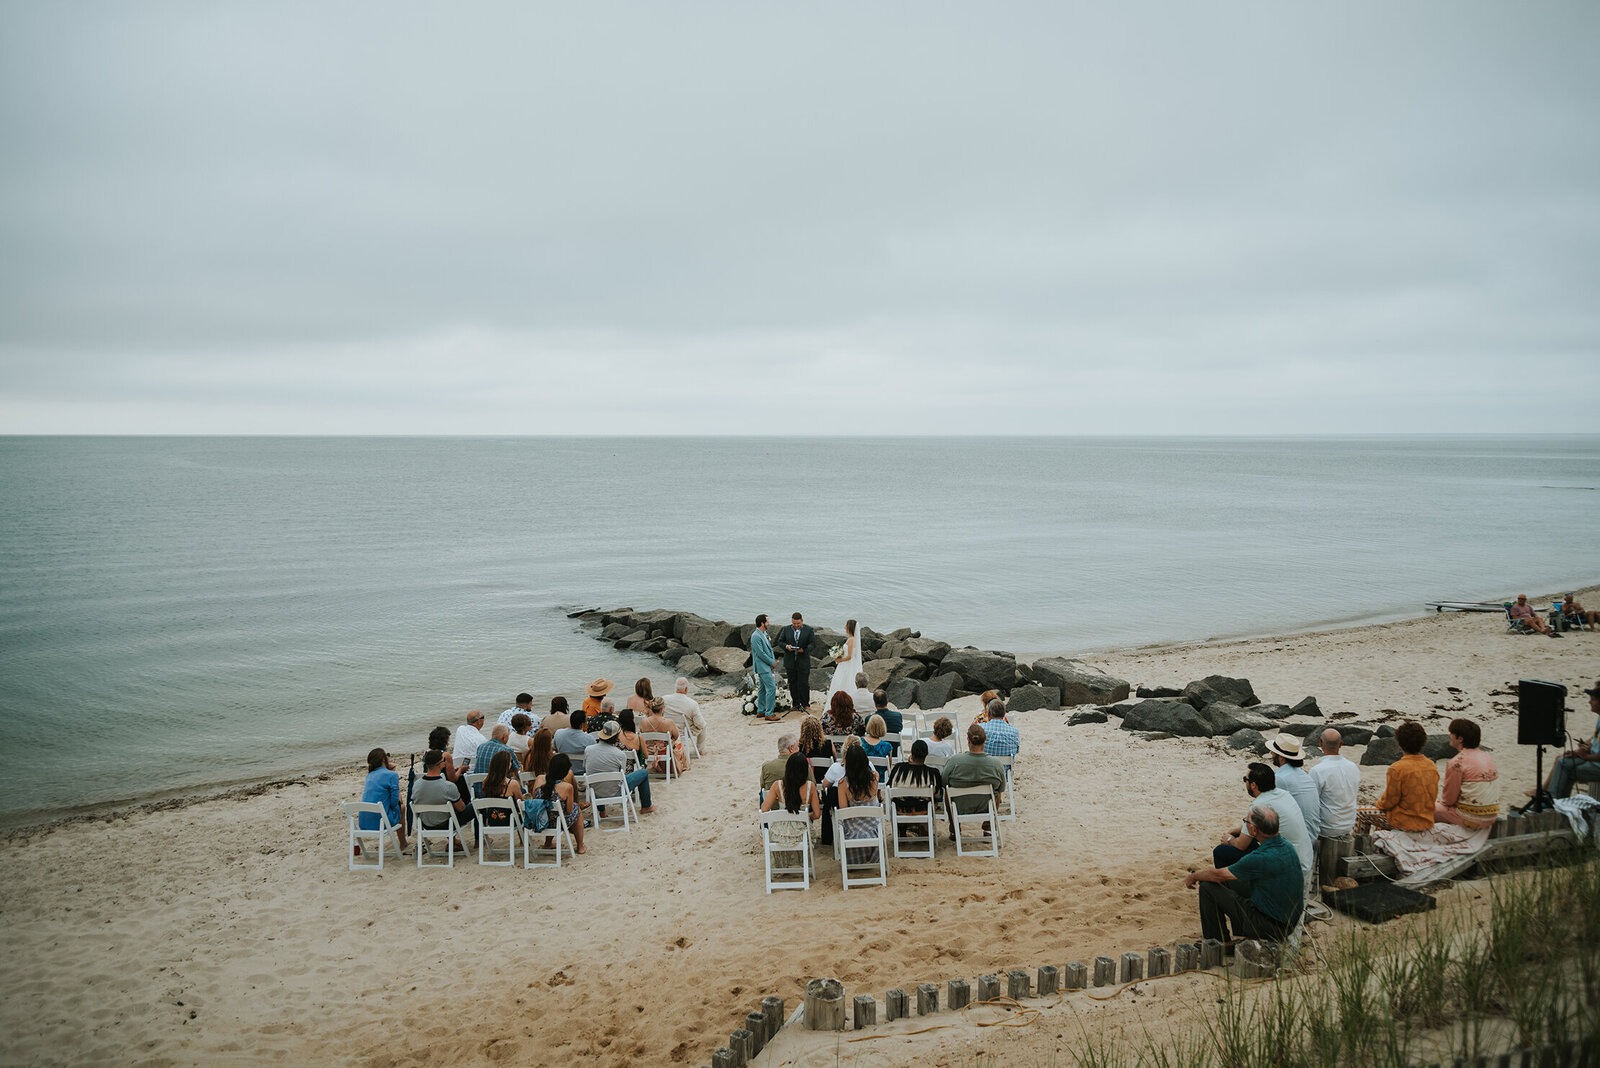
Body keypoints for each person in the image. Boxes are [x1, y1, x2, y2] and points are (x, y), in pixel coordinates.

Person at [1185, 804, 1303, 945]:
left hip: (1272, 926)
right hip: (1287, 920)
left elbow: (1219, 875)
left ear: (1253, 829)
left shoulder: (1260, 857)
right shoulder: (1286, 846)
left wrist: (1194, 876)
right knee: (1225, 882)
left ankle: (1216, 943)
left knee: (1207, 887)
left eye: (1246, 822)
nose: (1245, 825)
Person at [1214, 763, 1312, 881]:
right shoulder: (1283, 794)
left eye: (1245, 780)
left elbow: (1241, 845)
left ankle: (1231, 889)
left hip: (1287, 863)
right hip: (1302, 857)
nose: (1245, 782)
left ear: (1253, 785)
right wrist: (1234, 831)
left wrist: (1229, 839)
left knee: (1221, 851)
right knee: (1243, 839)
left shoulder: (1258, 805)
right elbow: (1255, 825)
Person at [1362, 721, 1438, 831]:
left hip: (1404, 821)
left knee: (1360, 812)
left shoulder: (1397, 768)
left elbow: (1388, 802)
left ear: (1399, 743)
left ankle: (1357, 848)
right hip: (1426, 819)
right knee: (1382, 814)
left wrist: (1377, 803)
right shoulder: (1431, 765)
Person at [943, 723, 1007, 839]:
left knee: (948, 792)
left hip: (960, 805)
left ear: (968, 740)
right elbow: (1002, 787)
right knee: (997, 793)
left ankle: (954, 829)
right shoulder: (996, 764)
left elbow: (944, 782)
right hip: (985, 806)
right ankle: (988, 828)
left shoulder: (955, 761)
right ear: (985, 739)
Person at [584, 720, 659, 816]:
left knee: (597, 777)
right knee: (643, 773)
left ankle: (602, 811)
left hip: (595, 792)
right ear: (616, 736)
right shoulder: (619, 754)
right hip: (616, 791)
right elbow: (622, 775)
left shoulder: (588, 750)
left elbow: (587, 769)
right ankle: (646, 807)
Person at [1435, 717, 1499, 828]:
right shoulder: (1486, 756)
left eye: (1451, 733)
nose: (1449, 736)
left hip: (1471, 818)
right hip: (1491, 815)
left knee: (1426, 808)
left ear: (1460, 738)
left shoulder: (1457, 763)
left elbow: (1448, 800)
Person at [761, 752, 822, 865]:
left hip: (779, 833)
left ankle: (783, 865)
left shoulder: (777, 785)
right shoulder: (810, 786)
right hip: (802, 832)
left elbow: (764, 809)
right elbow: (817, 814)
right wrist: (806, 816)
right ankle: (801, 863)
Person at [409, 748, 470, 855]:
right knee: (474, 807)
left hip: (426, 824)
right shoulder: (448, 786)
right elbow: (461, 808)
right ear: (440, 764)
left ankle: (454, 842)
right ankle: (480, 841)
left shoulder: (416, 785)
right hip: (446, 824)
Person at [1545, 682, 1600, 799]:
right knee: (1563, 761)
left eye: (1593, 699)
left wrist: (1585, 757)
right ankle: (1555, 800)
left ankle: (1554, 801)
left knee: (1566, 768)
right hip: (1593, 758)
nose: (1589, 702)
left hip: (1596, 763)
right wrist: (1582, 748)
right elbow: (1595, 737)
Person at [1307, 728, 1361, 841]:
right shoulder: (1353, 767)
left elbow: (1312, 803)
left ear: (1320, 743)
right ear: (1341, 744)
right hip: (1348, 825)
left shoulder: (1318, 770)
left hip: (1327, 828)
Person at [1265, 735, 1321, 839]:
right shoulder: (1304, 775)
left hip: (1299, 838)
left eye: (1273, 752)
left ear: (1281, 757)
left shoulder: (1281, 778)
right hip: (1312, 834)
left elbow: (1267, 811)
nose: (1271, 753)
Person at [530, 752, 585, 855]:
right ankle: (580, 846)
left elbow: (534, 799)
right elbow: (569, 810)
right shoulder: (567, 787)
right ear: (564, 772)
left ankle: (548, 843)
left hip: (539, 819)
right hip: (556, 822)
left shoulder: (539, 779)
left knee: (551, 811)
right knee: (577, 810)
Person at [835, 741, 881, 860]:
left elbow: (843, 812)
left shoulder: (843, 784)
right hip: (874, 830)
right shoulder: (875, 777)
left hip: (852, 834)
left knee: (839, 819)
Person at [358, 747, 408, 852]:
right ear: (384, 760)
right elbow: (395, 802)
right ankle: (403, 843)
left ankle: (403, 843)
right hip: (380, 822)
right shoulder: (391, 775)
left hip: (363, 823)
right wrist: (393, 772)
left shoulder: (369, 775)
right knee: (402, 807)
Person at [887, 739, 943, 832]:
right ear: (926, 755)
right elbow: (938, 795)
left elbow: (889, 789)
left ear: (911, 754)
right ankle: (922, 827)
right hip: (923, 810)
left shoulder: (898, 768)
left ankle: (902, 828)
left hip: (901, 810)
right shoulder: (932, 773)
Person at [477, 749, 526, 836]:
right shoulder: (512, 784)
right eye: (510, 762)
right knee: (522, 810)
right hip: (510, 821)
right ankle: (524, 841)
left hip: (492, 820)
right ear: (506, 766)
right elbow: (521, 804)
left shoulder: (485, 781)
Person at [642, 696, 689, 775]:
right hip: (664, 751)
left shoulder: (644, 722)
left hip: (650, 751)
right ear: (663, 708)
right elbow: (676, 736)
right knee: (678, 741)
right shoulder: (668, 722)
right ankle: (680, 765)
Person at [780, 612, 817, 712]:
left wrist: (804, 650)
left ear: (802, 621)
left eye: (798, 624)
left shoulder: (809, 630)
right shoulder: (786, 629)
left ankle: (805, 704)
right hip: (790, 661)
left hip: (803, 661)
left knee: (804, 683)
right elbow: (780, 641)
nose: (796, 626)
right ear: (792, 622)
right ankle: (795, 704)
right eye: (794, 623)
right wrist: (786, 646)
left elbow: (812, 644)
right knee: (792, 683)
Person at [662, 678, 707, 755]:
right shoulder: (692, 703)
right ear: (686, 689)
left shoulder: (664, 699)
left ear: (676, 688)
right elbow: (700, 724)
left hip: (667, 731)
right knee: (704, 725)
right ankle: (700, 750)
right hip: (683, 732)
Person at [827, 619, 863, 709]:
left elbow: (850, 656)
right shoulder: (851, 639)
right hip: (847, 663)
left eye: (846, 626)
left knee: (845, 681)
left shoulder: (851, 640)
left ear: (849, 627)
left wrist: (840, 659)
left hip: (848, 664)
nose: (844, 627)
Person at [751, 614, 778, 720]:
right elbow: (761, 653)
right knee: (771, 688)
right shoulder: (755, 636)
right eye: (767, 621)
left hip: (766, 665)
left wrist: (772, 661)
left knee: (762, 689)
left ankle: (761, 711)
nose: (769, 623)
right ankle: (769, 713)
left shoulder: (764, 633)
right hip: (762, 666)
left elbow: (769, 649)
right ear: (762, 623)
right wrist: (772, 662)